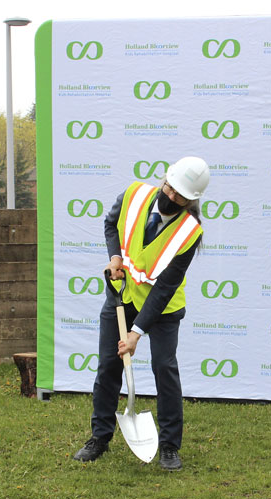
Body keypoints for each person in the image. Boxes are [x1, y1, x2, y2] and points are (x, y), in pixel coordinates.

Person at [73, 156, 209, 471]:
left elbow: (165, 288)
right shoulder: (134, 195)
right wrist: (115, 257)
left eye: (181, 197)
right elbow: (111, 223)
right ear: (165, 179)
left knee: (164, 368)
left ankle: (170, 446)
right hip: (124, 296)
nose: (172, 197)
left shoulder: (189, 232)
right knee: (109, 364)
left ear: (192, 200)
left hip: (163, 308)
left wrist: (136, 333)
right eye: (170, 188)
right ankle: (100, 437)